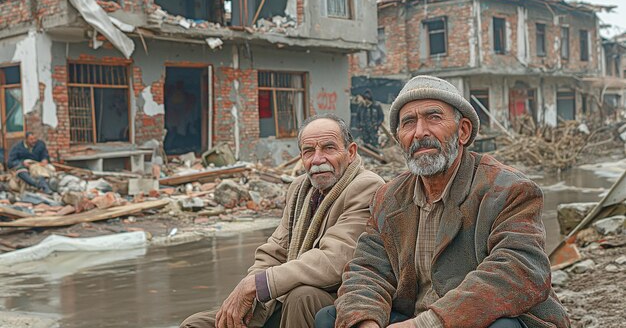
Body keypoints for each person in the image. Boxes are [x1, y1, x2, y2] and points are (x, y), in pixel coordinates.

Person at [316, 76, 570, 328]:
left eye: (434, 118)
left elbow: (519, 271)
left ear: (463, 131)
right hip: (414, 316)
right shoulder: (388, 197)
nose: (420, 132)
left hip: (476, 317)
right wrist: (365, 322)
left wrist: (426, 324)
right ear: (399, 138)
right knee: (329, 318)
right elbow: (367, 269)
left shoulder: (509, 189)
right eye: (408, 123)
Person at [181, 114, 384, 328]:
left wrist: (260, 284)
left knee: (302, 297)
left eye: (328, 148)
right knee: (195, 324)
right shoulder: (300, 188)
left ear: (350, 152)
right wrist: (248, 291)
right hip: (282, 297)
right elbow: (275, 249)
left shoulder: (367, 186)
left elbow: (334, 259)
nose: (317, 159)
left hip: (336, 298)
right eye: (309, 151)